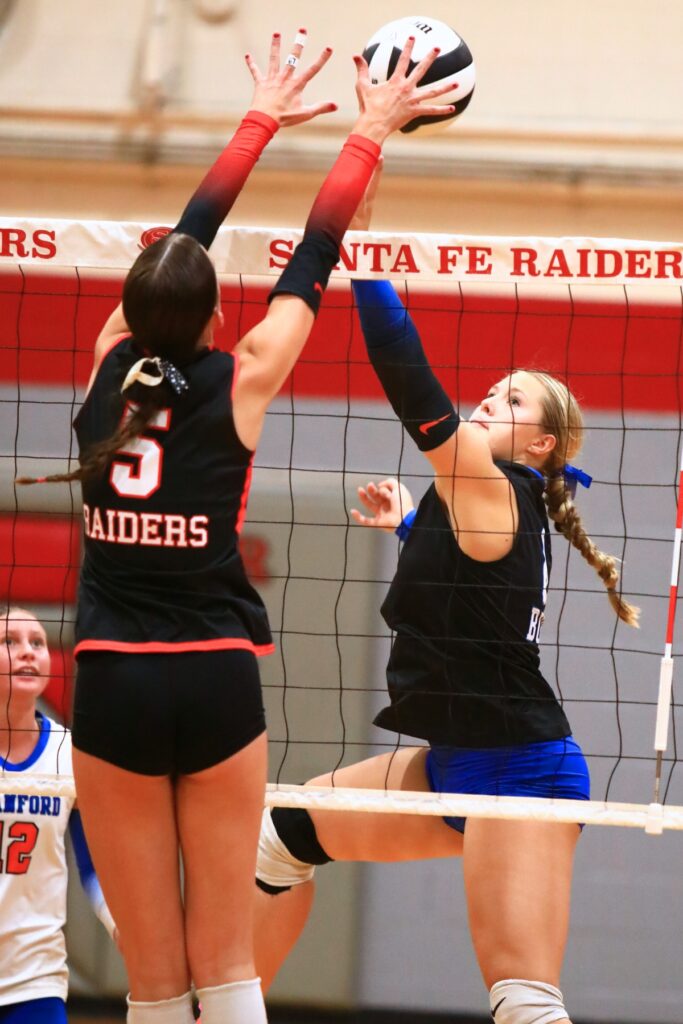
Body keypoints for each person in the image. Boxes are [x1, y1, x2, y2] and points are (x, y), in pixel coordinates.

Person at [18, 31, 455, 1024]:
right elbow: (314, 253)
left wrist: (257, 115)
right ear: (217, 316)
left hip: (118, 680)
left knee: (155, 981)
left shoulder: (101, 368)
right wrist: (367, 131)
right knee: (227, 964)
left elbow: (178, 247)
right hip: (215, 674)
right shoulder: (244, 378)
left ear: (128, 314)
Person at [253, 165, 640, 1024]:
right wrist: (405, 531)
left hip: (520, 773)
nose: (483, 402)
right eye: (489, 391)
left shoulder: (492, 479)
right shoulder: (495, 499)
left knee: (522, 1002)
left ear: (538, 442)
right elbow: (480, 595)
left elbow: (411, 386)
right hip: (456, 756)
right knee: (281, 835)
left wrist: (365, 259)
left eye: (506, 400)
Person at [0, 607, 115, 1024]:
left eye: (38, 643)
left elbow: (92, 866)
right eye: (9, 642)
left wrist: (119, 923)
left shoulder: (68, 754)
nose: (28, 652)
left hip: (35, 978)